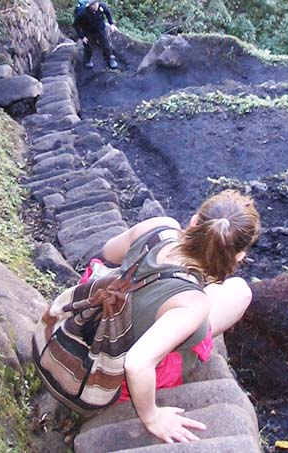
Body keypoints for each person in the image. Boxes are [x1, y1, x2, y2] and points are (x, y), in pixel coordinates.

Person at [85, 190, 261, 444]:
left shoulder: (159, 227)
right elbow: (136, 363)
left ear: (193, 221)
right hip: (109, 369)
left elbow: (107, 254)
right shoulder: (194, 304)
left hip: (91, 319)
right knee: (239, 292)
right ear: (238, 256)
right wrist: (151, 417)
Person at [73, 0, 119, 70]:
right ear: (89, 5)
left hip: (101, 30)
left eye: (97, 3)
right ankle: (88, 59)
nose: (96, 6)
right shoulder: (83, 13)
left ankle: (110, 58)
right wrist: (82, 36)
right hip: (88, 32)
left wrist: (111, 24)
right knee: (89, 48)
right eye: (93, 4)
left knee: (106, 45)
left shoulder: (102, 7)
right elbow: (76, 24)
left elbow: (108, 13)